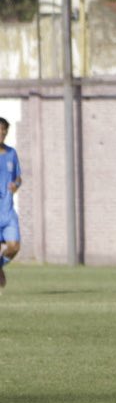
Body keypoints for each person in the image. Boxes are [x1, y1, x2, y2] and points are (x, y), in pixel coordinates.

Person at [0, 117, 21, 293]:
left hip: (7, 211)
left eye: (4, 131)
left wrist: (16, 184)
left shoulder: (12, 154)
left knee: (14, 247)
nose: (1, 134)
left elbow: (18, 177)